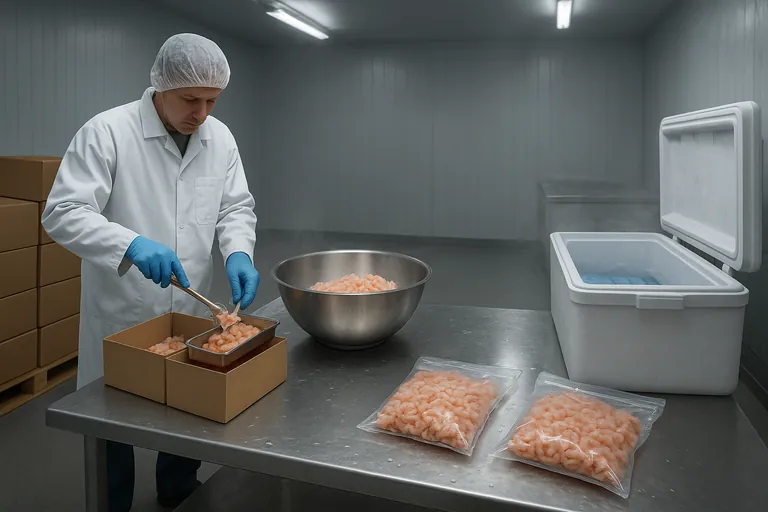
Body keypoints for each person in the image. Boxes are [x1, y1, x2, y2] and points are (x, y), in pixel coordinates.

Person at [41, 33, 260, 511]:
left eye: (212, 100)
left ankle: (177, 485)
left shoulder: (219, 137)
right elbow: (63, 211)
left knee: (186, 401)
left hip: (188, 301)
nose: (201, 112)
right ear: (161, 85)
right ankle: (112, 500)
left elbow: (235, 207)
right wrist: (129, 243)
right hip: (122, 307)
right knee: (112, 413)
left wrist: (238, 251)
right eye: (191, 99)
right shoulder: (108, 131)